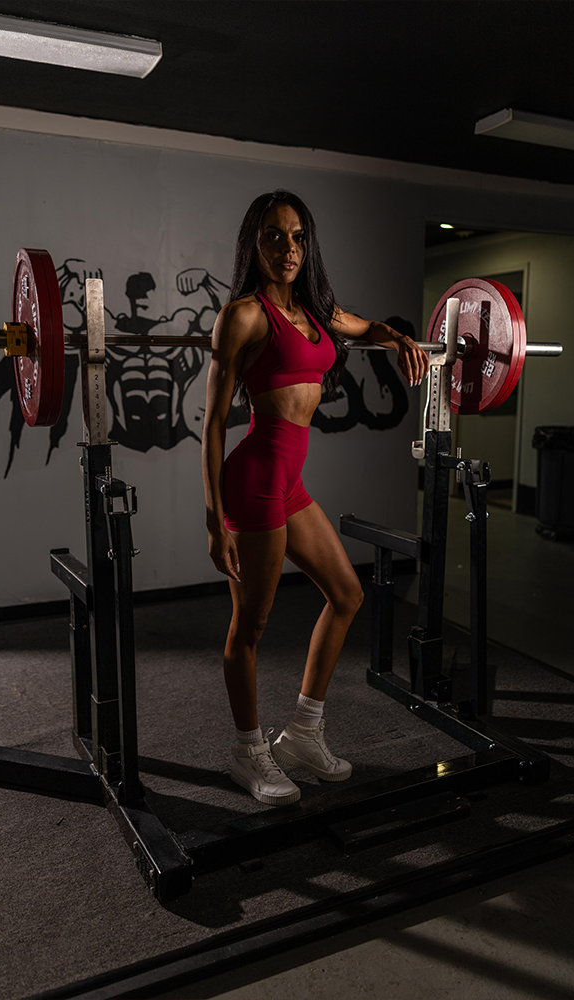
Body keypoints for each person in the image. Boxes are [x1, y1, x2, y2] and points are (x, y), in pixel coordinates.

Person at [201, 191, 429, 805]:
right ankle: (247, 752)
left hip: (291, 483)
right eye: (274, 237)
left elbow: (363, 326)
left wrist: (399, 338)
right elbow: (214, 422)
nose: (288, 249)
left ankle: (303, 731)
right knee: (251, 626)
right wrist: (213, 515)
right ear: (255, 243)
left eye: (298, 237)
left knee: (348, 594)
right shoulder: (244, 316)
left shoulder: (314, 310)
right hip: (251, 481)